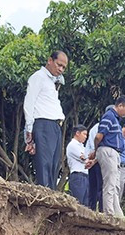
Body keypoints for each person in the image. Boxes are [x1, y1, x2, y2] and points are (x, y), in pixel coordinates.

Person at [23, 50, 68, 189]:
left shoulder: (53, 82)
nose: (60, 69)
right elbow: (29, 103)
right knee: (45, 163)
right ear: (50, 61)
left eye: (63, 67)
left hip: (55, 125)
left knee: (54, 165)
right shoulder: (38, 77)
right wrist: (29, 130)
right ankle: (45, 195)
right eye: (58, 65)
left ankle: (51, 195)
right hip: (43, 124)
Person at [91, 95, 125, 218]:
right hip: (108, 150)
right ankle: (109, 212)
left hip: (113, 153)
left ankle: (117, 213)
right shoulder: (109, 116)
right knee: (109, 183)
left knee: (114, 184)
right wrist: (96, 149)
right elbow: (99, 136)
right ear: (120, 106)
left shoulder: (115, 119)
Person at [85, 105, 115, 212]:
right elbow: (97, 144)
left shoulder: (95, 127)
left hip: (92, 160)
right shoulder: (102, 127)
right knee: (101, 186)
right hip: (98, 160)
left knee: (93, 187)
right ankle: (101, 210)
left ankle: (91, 210)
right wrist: (94, 159)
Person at [65, 125, 89, 205]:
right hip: (78, 176)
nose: (85, 137)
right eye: (84, 134)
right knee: (78, 203)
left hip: (85, 176)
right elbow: (84, 158)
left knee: (86, 204)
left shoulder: (82, 147)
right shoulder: (73, 145)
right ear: (77, 133)